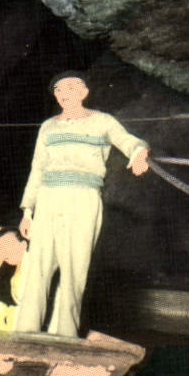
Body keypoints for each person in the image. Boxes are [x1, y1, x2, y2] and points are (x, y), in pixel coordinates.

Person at [15, 71, 150, 338]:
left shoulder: (102, 122)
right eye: (59, 91)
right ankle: (24, 334)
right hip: (48, 199)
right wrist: (28, 211)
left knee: (74, 270)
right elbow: (37, 169)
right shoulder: (48, 127)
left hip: (83, 198)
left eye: (71, 88)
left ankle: (63, 337)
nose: (65, 94)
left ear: (84, 92)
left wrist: (140, 154)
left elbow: (130, 142)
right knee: (36, 270)